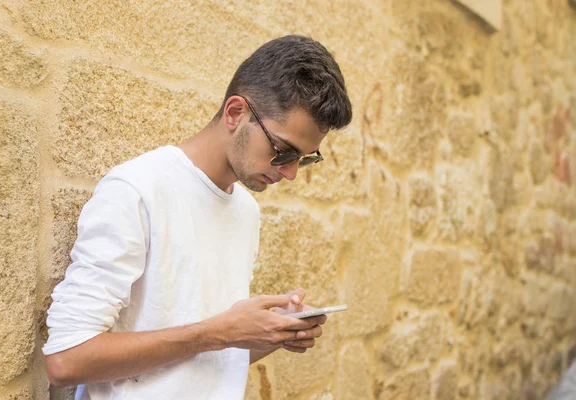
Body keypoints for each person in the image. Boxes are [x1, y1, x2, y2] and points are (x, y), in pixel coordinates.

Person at [43, 35, 353, 400]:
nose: (291, 174)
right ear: (236, 113)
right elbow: (66, 360)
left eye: (305, 158)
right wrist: (219, 331)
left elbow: (207, 359)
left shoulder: (246, 212)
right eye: (284, 151)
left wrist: (272, 332)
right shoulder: (137, 189)